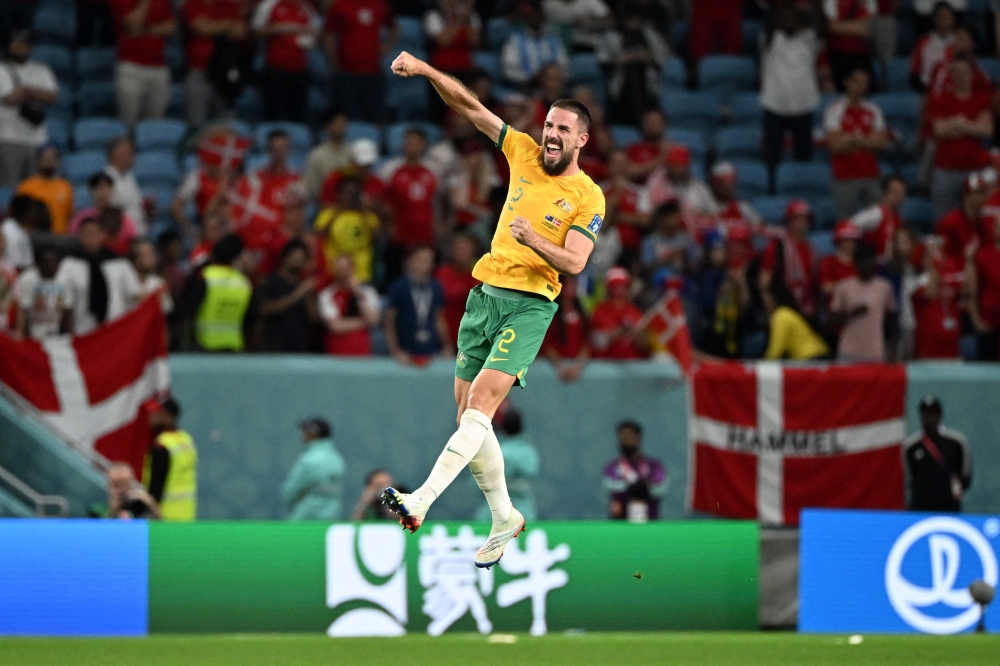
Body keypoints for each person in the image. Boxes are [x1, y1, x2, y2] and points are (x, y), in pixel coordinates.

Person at [380, 49, 605, 569]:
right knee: (466, 417)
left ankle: (420, 501)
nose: (550, 134)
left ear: (581, 140)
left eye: (562, 129)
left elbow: (574, 261)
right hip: (484, 297)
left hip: (529, 306)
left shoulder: (587, 196)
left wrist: (533, 241)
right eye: (548, 124)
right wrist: (429, 70)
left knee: (480, 407)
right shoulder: (522, 151)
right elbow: (470, 107)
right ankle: (504, 516)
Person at [760, 1, 823, 188]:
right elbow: (773, 17)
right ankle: (771, 189)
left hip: (803, 105)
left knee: (804, 155)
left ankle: (802, 189)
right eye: (785, 18)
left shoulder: (810, 39)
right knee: (772, 156)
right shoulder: (769, 38)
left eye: (793, 18)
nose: (790, 21)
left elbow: (822, 24)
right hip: (775, 104)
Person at [926, 56, 993, 220]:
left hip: (973, 168)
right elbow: (940, 130)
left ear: (971, 74)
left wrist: (957, 124)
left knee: (977, 218)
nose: (960, 75)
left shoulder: (981, 99)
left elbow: (986, 129)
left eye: (964, 71)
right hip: (945, 169)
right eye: (955, 71)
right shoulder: (941, 99)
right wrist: (971, 125)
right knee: (945, 219)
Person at [56, 216, 142, 334]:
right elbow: (65, 302)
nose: (91, 239)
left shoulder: (120, 263)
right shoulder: (69, 264)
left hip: (116, 331)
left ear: (103, 235)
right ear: (79, 236)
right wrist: (69, 333)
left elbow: (135, 297)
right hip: (82, 332)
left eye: (95, 234)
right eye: (86, 234)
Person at [824, 69, 889, 220]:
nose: (862, 86)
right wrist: (867, 140)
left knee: (876, 220)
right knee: (846, 223)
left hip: (871, 174)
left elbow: (881, 142)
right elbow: (835, 145)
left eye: (864, 82)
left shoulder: (873, 109)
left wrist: (852, 139)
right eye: (857, 82)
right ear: (848, 83)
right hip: (844, 177)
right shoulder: (835, 110)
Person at [0, 30, 60, 189]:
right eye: (16, 43)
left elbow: (53, 96)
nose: (20, 47)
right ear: (8, 45)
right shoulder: (2, 70)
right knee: (11, 188)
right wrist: (34, 93)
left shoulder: (41, 70)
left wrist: (29, 91)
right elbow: (9, 98)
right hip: (9, 138)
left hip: (37, 138)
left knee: (36, 188)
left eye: (24, 43)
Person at [179, 233, 254, 351]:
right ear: (237, 257)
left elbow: (187, 310)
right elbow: (251, 319)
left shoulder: (204, 277)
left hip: (202, 345)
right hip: (232, 347)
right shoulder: (244, 283)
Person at [324, 0, 396, 123]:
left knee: (375, 117)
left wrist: (387, 47)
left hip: (373, 72)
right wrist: (333, 60)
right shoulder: (340, 5)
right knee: (345, 116)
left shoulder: (380, 5)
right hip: (346, 71)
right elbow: (327, 34)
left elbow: (394, 28)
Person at [382, 128, 439, 279]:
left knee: (426, 276)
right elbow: (384, 203)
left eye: (415, 143)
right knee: (397, 277)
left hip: (426, 234)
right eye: (408, 142)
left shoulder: (432, 171)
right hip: (400, 235)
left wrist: (440, 226)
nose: (411, 146)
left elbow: (441, 201)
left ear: (423, 145)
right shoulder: (391, 170)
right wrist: (388, 227)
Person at [110, 0, 176, 129]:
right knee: (128, 124)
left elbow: (171, 26)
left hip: (159, 68)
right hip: (130, 68)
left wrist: (147, 29)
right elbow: (133, 24)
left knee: (154, 125)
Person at [251, 0, 320, 123]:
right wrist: (277, 29)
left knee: (297, 114)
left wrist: (308, 35)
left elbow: (316, 31)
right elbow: (255, 31)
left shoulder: (305, 7)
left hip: (300, 70)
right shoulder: (269, 5)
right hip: (276, 69)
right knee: (274, 114)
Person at [181, 0, 245, 126]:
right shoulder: (193, 4)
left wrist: (213, 26)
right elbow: (202, 28)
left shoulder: (229, 6)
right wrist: (229, 24)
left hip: (224, 75)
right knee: (195, 123)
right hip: (199, 70)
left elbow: (240, 32)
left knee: (226, 122)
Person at [830, 242, 897, 361]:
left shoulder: (884, 287)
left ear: (874, 262)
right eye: (861, 261)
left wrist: (892, 350)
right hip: (848, 350)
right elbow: (832, 321)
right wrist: (852, 313)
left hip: (875, 351)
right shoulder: (844, 287)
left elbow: (891, 320)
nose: (865, 265)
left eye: (869, 260)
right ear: (855, 263)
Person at [904, 395, 972, 512]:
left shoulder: (955, 442)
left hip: (949, 506)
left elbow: (965, 473)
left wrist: (957, 489)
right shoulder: (911, 446)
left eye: (932, 413)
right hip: (921, 507)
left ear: (939, 415)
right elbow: (910, 478)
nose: (929, 418)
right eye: (926, 413)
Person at [384, 245, 451, 364]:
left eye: (428, 261)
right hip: (405, 350)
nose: (423, 265)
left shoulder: (436, 287)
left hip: (430, 349)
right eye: (420, 260)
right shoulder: (399, 287)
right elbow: (389, 322)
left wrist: (446, 345)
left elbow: (438, 318)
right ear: (410, 261)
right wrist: (395, 351)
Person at [475, 409, 539, 522]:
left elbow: (476, 484)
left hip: (492, 516)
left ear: (502, 428)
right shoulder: (529, 453)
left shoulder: (495, 453)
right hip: (525, 514)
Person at [314, 176, 381, 283]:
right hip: (335, 272)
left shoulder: (368, 216)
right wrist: (337, 212)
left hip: (361, 272)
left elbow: (377, 239)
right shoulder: (328, 214)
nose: (349, 197)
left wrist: (363, 213)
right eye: (346, 193)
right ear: (339, 193)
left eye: (353, 194)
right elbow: (320, 235)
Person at [257, 239, 317, 353]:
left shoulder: (304, 286)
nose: (298, 260)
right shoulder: (271, 281)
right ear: (285, 258)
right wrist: (295, 296)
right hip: (274, 346)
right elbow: (264, 308)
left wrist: (309, 295)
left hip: (298, 346)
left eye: (301, 258)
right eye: (295, 256)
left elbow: (314, 319)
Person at [281, 417, 346, 520]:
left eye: (306, 431)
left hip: (306, 516)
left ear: (312, 434)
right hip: (332, 515)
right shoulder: (338, 459)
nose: (303, 434)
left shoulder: (308, 460)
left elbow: (289, 492)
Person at [602, 420, 666, 522]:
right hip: (621, 524)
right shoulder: (613, 466)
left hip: (650, 523)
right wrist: (631, 487)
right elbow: (611, 485)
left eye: (629, 436)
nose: (625, 440)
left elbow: (660, 489)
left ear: (638, 438)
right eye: (622, 437)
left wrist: (645, 487)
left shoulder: (654, 466)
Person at [145, 397, 197, 521]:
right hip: (187, 516)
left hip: (163, 518)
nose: (152, 416)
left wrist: (152, 512)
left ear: (168, 416)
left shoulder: (162, 445)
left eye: (157, 412)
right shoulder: (186, 440)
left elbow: (156, 486)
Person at [318, 254, 380, 355]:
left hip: (362, 351)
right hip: (337, 350)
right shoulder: (326, 295)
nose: (343, 271)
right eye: (339, 268)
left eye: (346, 267)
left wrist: (357, 293)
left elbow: (373, 320)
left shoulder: (367, 292)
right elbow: (335, 326)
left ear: (353, 268)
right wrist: (364, 322)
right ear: (334, 270)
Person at [501, 2, 569, 87]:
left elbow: (564, 67)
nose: (535, 18)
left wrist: (550, 77)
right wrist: (530, 78)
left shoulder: (554, 40)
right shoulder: (515, 41)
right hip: (526, 86)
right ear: (527, 18)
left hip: (553, 86)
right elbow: (509, 70)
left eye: (538, 14)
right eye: (532, 15)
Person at [14, 246, 73, 339]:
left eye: (53, 264)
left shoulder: (65, 279)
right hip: (34, 330)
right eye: (47, 264)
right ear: (39, 264)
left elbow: (68, 309)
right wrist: (21, 333)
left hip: (56, 331)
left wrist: (69, 334)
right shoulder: (28, 278)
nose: (50, 267)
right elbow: (22, 309)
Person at [14, 144, 73, 234]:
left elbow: (69, 215)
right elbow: (18, 214)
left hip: (59, 239)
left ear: (57, 161)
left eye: (52, 158)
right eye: (45, 158)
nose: (49, 161)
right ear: (39, 160)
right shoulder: (26, 186)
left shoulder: (65, 186)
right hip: (33, 237)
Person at [590, 266, 646, 359]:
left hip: (632, 362)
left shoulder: (634, 311)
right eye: (616, 286)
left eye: (623, 286)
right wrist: (617, 333)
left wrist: (636, 335)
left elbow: (644, 344)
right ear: (609, 288)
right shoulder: (601, 311)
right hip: (607, 363)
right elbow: (596, 342)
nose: (620, 290)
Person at [937, 170, 990, 265]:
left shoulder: (987, 221)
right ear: (967, 195)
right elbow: (943, 254)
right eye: (978, 193)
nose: (983, 197)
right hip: (957, 269)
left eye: (984, 192)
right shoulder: (951, 221)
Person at [763, 285, 830, 360]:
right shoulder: (787, 312)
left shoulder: (781, 316)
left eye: (767, 297)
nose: (765, 301)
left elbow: (776, 350)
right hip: (817, 355)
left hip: (812, 358)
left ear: (774, 298)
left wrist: (761, 367)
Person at [849, 175, 907, 263]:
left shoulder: (898, 218)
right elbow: (848, 227)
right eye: (895, 193)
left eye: (901, 193)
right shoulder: (876, 213)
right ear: (885, 193)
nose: (899, 197)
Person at [435, 233, 480, 346]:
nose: (462, 254)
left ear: (472, 253)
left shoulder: (478, 277)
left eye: (466, 250)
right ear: (452, 252)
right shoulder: (441, 274)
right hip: (441, 334)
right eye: (459, 249)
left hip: (468, 337)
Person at [542, 275, 589, 380]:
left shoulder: (582, 314)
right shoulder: (550, 313)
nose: (570, 287)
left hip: (577, 367)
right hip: (553, 367)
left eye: (573, 284)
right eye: (567, 284)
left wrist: (577, 367)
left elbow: (586, 343)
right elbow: (547, 344)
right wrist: (559, 366)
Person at [823, 0, 875, 91]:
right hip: (837, 55)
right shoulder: (832, 2)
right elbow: (830, 27)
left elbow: (871, 26)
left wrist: (842, 27)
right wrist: (858, 28)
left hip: (862, 56)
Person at [969, 215, 1000, 360]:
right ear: (994, 229)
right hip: (989, 326)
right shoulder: (983, 255)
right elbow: (972, 291)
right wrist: (976, 320)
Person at [302, 111, 351, 201]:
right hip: (326, 206)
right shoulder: (317, 155)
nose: (342, 127)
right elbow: (313, 188)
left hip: (351, 206)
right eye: (338, 123)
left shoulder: (352, 152)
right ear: (327, 127)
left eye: (344, 123)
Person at [104, 137, 148, 236]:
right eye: (128, 151)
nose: (133, 155)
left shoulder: (129, 177)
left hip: (139, 233)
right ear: (115, 154)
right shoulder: (106, 179)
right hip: (121, 237)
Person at [909, 2, 957, 92]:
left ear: (953, 19)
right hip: (927, 90)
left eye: (947, 17)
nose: (944, 21)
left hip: (952, 91)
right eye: (941, 17)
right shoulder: (923, 42)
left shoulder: (959, 42)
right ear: (934, 19)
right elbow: (914, 70)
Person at [129, 238, 173, 313]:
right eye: (146, 254)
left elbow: (166, 309)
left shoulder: (159, 283)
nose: (151, 257)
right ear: (135, 259)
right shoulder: (126, 282)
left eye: (152, 253)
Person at [1, 194, 38, 271]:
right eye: (32, 211)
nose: (34, 215)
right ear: (25, 213)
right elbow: (15, 265)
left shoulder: (20, 229)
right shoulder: (10, 231)